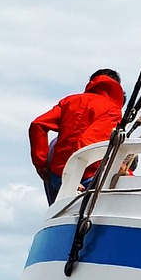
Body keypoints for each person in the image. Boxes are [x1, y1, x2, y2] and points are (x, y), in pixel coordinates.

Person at [29, 69, 126, 204]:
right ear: (117, 87)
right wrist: (74, 179)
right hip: (83, 178)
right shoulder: (113, 110)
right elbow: (87, 142)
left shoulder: (69, 101)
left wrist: (40, 164)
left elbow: (37, 125)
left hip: (58, 175)